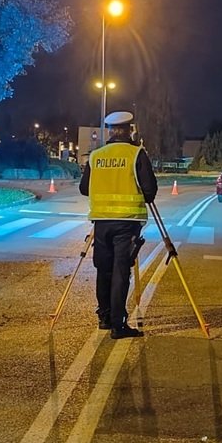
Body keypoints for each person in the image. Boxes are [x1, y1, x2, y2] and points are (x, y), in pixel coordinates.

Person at [79, 110, 158, 339]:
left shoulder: (96, 155)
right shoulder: (136, 154)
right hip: (127, 223)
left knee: (103, 271)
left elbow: (84, 189)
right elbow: (150, 192)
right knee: (120, 273)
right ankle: (118, 325)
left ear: (110, 131)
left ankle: (103, 317)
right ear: (130, 130)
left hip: (101, 223)